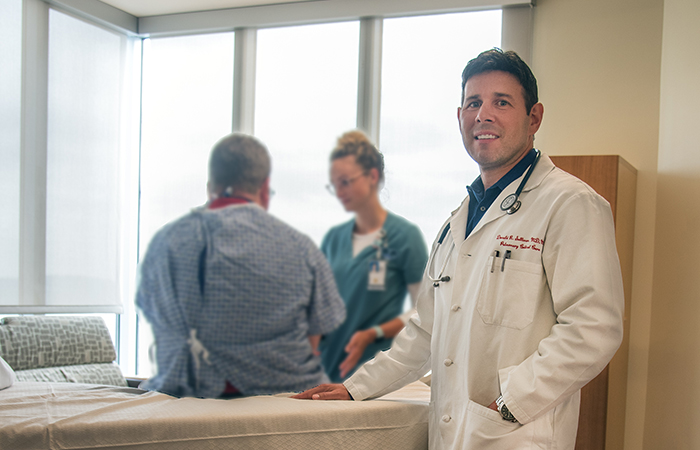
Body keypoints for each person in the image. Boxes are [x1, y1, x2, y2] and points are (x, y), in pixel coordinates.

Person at [294, 49, 624, 449]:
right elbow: (425, 332)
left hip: (515, 434)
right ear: (460, 117)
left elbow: (594, 328)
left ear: (533, 117)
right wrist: (354, 388)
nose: (483, 115)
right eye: (473, 103)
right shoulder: (456, 223)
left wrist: (510, 401)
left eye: (501, 102)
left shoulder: (569, 203)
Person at [136, 133, 346, 398]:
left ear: (211, 186)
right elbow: (315, 337)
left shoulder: (164, 242)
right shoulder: (301, 247)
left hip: (185, 395)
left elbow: (155, 315)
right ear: (264, 187)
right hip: (286, 402)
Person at [319, 130, 428, 382]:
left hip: (373, 374)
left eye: (347, 181)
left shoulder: (403, 237)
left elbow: (423, 313)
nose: (339, 191)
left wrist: (375, 332)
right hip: (327, 368)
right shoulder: (334, 239)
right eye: (335, 183)